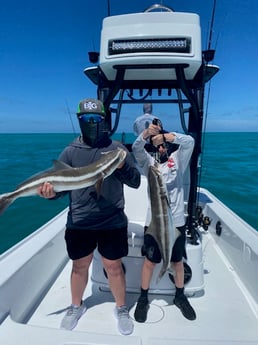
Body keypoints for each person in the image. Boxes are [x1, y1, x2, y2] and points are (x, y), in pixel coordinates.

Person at [37, 98, 141, 335]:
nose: (92, 123)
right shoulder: (70, 151)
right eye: (87, 119)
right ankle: (76, 306)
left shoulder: (118, 150)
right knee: (79, 266)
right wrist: (50, 194)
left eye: (96, 119)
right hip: (80, 221)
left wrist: (122, 166)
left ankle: (121, 308)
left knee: (114, 267)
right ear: (80, 121)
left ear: (104, 120)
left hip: (112, 220)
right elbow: (61, 189)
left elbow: (135, 182)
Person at [132, 116, 196, 323]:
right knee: (150, 262)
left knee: (177, 262)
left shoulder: (178, 159)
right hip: (154, 223)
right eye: (156, 145)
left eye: (163, 145)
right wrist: (145, 135)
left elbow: (190, 142)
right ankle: (143, 298)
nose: (160, 149)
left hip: (176, 222)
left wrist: (168, 136)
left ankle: (180, 296)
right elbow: (136, 150)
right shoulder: (148, 164)